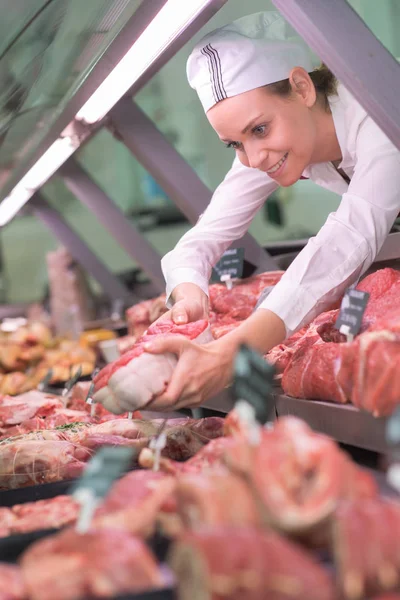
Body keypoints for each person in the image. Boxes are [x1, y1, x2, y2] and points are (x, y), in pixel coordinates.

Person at [140, 11, 400, 411]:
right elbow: (203, 238)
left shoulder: (380, 115)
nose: (254, 157)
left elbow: (348, 238)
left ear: (301, 87)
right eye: (234, 144)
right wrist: (189, 293)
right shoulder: (272, 147)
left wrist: (229, 354)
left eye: (259, 129)